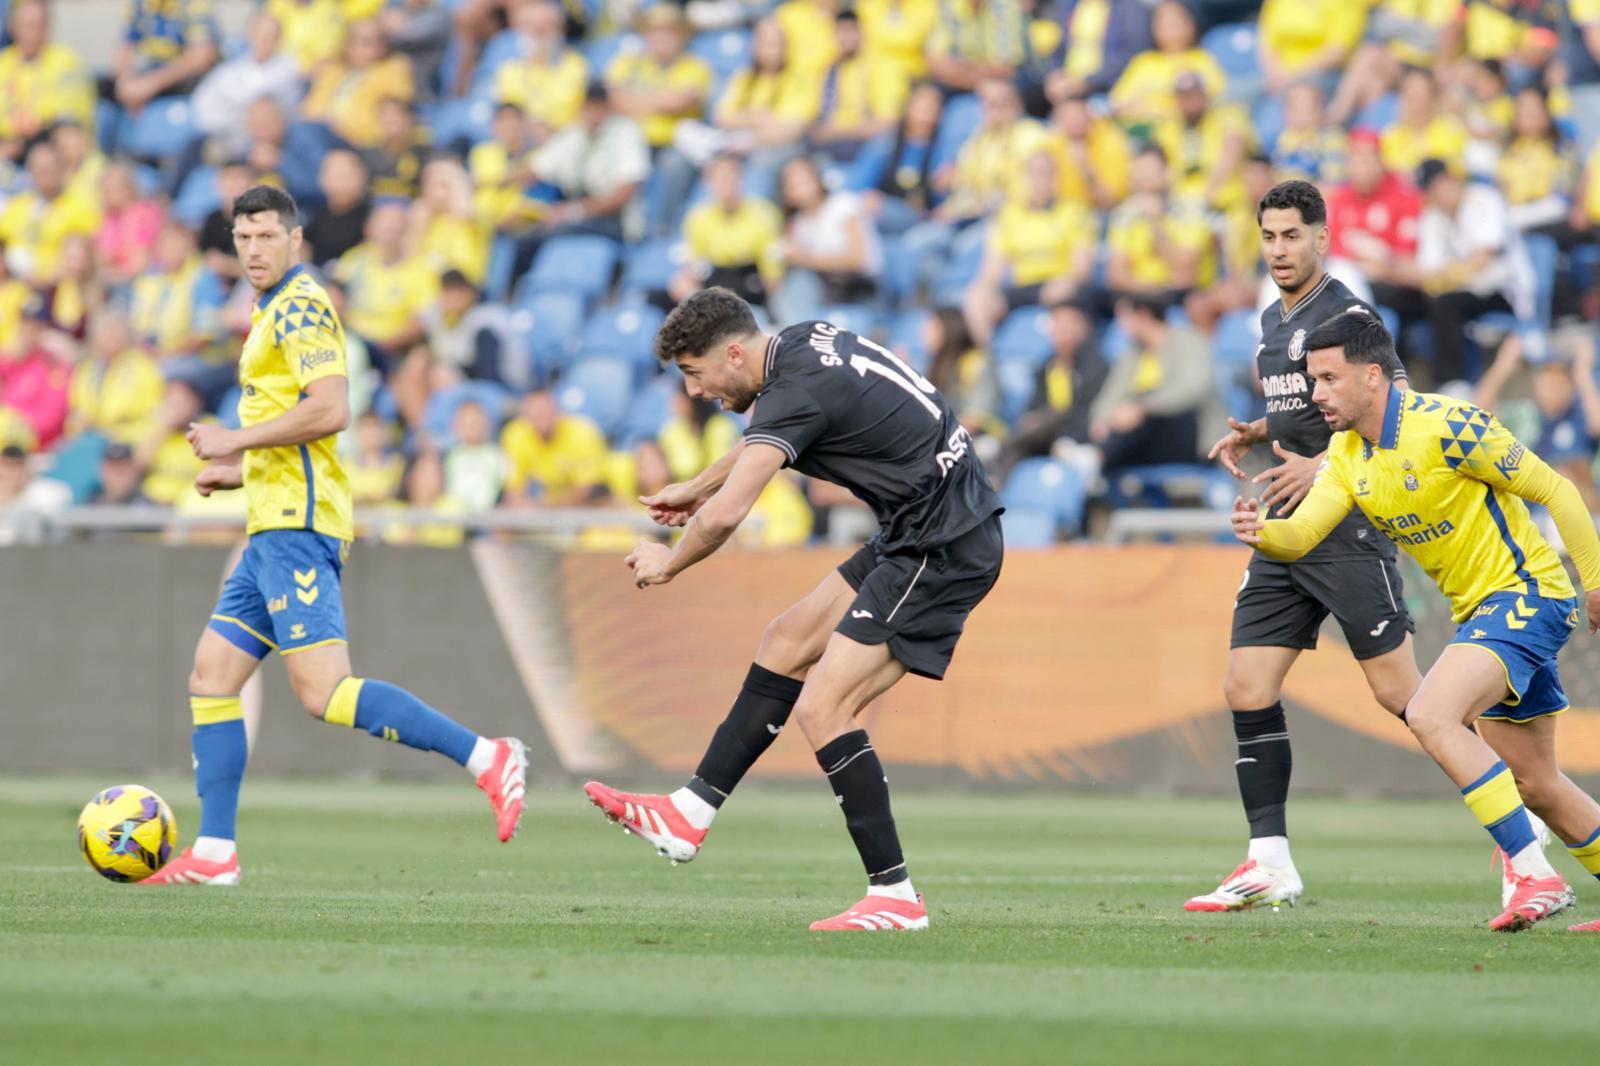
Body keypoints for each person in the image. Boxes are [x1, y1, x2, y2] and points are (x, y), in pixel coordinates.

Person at [582, 287, 1005, 931]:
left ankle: (894, 895)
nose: (695, 392)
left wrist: (669, 561)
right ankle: (690, 813)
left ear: (731, 353)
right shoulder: (801, 343)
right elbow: (766, 438)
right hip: (918, 527)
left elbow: (730, 517)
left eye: (695, 374)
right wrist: (694, 487)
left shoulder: (792, 391)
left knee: (823, 706)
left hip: (943, 544)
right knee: (785, 641)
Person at [141, 185, 527, 886]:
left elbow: (332, 408)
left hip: (299, 529)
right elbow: (299, 427)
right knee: (211, 676)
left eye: (266, 236)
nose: (254, 249)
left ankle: (488, 757)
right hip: (272, 520)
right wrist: (243, 472)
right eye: (243, 238)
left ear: (295, 241)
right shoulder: (267, 310)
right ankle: (217, 853)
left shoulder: (302, 304)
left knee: (324, 694)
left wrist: (235, 437)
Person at [1232, 308, 1600, 933]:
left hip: (1528, 594)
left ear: (1372, 376)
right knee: (1536, 782)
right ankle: (1543, 864)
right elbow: (1303, 535)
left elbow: (1558, 492)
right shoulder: (1347, 455)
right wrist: (1262, 534)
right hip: (1482, 614)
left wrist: (1595, 583)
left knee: (1431, 712)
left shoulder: (1451, 427)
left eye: (1327, 378)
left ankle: (1534, 873)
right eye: (1312, 380)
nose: (1315, 394)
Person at [1187, 180, 1426, 914]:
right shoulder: (1270, 319)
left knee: (1406, 698)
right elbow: (1304, 402)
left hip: (1348, 523)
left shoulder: (1350, 315)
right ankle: (1270, 862)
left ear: (1321, 238)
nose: (1280, 250)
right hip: (1289, 531)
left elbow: (1400, 409)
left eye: (1293, 235)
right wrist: (1262, 432)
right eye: (1269, 237)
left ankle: (1524, 814)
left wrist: (1321, 465)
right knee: (1247, 686)